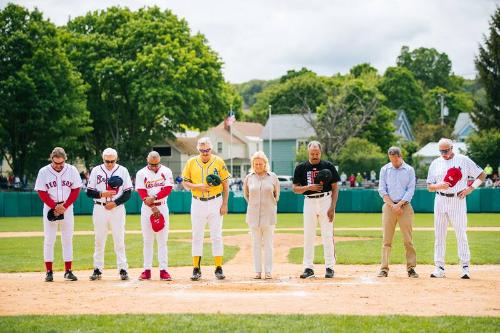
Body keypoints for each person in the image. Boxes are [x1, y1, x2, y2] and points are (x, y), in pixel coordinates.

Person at [426, 138, 486, 279]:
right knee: (439, 235)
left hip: (457, 200)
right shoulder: (435, 163)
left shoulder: (463, 160)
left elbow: (482, 174)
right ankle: (439, 267)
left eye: (446, 150)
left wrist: (470, 188)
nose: (444, 153)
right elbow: (429, 186)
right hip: (440, 199)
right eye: (441, 151)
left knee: (461, 234)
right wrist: (439, 186)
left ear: (452, 148)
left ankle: (465, 267)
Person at [182, 137, 230, 281]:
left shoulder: (219, 161)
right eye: (202, 150)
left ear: (211, 149)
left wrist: (225, 204)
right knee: (197, 235)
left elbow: (225, 184)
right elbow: (185, 183)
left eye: (208, 150)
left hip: (215, 201)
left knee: (216, 235)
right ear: (198, 149)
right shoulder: (191, 162)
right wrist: (198, 186)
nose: (205, 153)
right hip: (197, 202)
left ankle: (218, 267)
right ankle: (196, 268)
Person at [292, 141, 340, 279]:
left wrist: (332, 207)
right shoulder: (301, 168)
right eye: (312, 153)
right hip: (309, 202)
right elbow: (295, 188)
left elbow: (335, 187)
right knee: (308, 235)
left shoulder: (328, 166)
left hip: (326, 200)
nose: (314, 156)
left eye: (317, 153)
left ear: (321, 152)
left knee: (327, 235)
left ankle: (330, 267)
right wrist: (308, 187)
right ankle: (308, 267)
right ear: (308, 152)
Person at [34, 147, 82, 282]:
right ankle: (49, 271)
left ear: (65, 159)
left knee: (67, 239)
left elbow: (76, 189)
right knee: (49, 239)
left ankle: (68, 271)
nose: (58, 166)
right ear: (51, 159)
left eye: (61, 163)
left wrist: (65, 206)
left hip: (67, 208)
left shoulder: (71, 170)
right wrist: (54, 206)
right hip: (50, 207)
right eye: (56, 163)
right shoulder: (44, 171)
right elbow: (41, 192)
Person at [86, 148, 133, 281]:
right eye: (107, 161)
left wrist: (115, 203)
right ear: (103, 159)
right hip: (99, 208)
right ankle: (97, 269)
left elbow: (128, 193)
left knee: (119, 240)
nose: (110, 163)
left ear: (116, 159)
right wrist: (102, 194)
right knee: (99, 240)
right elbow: (89, 192)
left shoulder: (122, 170)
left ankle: (123, 269)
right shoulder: (96, 170)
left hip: (117, 210)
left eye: (112, 161)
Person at [377, 147, 418, 278]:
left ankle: (411, 268)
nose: (393, 163)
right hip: (389, 206)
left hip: (404, 206)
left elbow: (410, 190)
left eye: (395, 159)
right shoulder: (385, 169)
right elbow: (382, 190)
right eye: (391, 160)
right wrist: (392, 205)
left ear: (400, 156)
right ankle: (384, 268)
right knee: (386, 240)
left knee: (408, 240)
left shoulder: (409, 170)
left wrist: (399, 205)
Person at [135, 151, 174, 281]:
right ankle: (147, 270)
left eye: (156, 164)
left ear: (159, 160)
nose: (154, 166)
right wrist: (152, 206)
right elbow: (141, 191)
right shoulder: (141, 173)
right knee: (147, 240)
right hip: (147, 208)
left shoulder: (166, 171)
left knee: (162, 240)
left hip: (162, 205)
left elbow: (168, 189)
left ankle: (163, 270)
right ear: (147, 161)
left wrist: (155, 197)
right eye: (151, 164)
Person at [243, 151, 280, 279]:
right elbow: (246, 195)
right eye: (256, 163)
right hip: (253, 216)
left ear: (265, 164)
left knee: (268, 245)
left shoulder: (273, 177)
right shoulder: (249, 177)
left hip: (269, 216)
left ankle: (268, 272)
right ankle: (258, 272)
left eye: (260, 163)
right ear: (253, 164)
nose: (258, 165)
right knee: (256, 245)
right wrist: (254, 205)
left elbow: (277, 195)